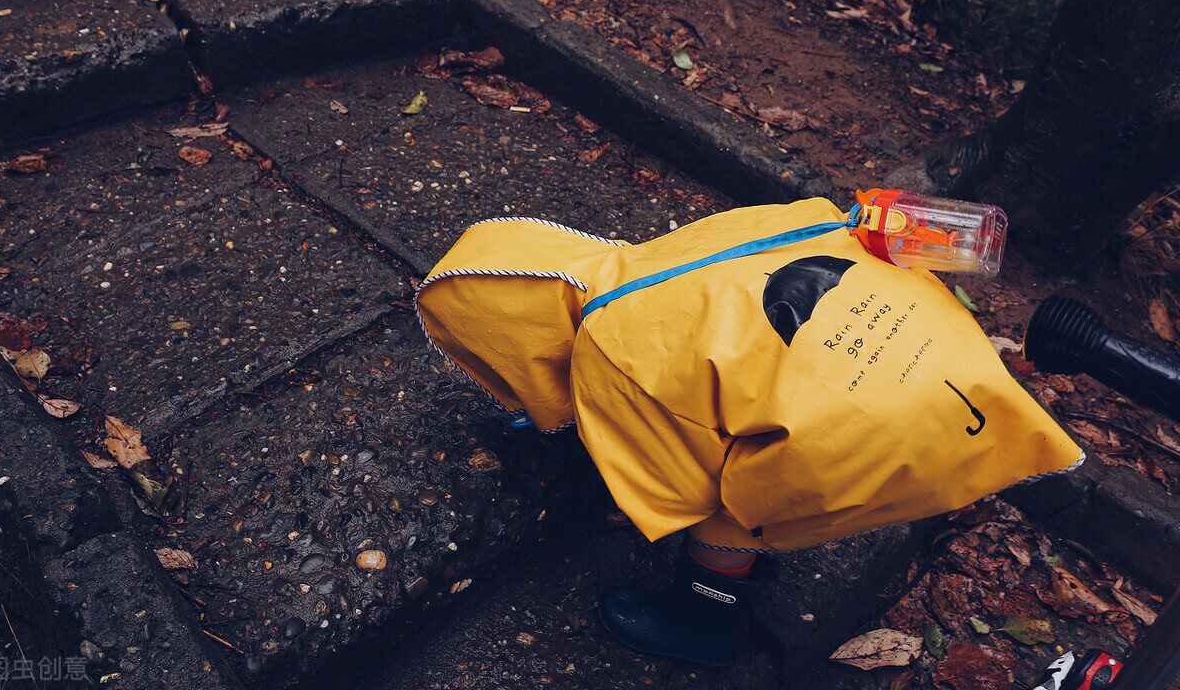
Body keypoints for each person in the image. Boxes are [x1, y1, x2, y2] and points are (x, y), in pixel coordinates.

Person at [416, 198, 1083, 668]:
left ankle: (703, 623)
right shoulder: (665, 257)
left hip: (881, 426)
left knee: (726, 508)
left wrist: (603, 433)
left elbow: (676, 490)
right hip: (945, 353)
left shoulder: (607, 346)